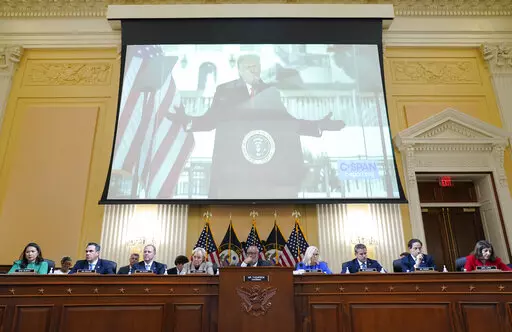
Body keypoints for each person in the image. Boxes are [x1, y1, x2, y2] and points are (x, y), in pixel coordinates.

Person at [169, 54, 345, 199]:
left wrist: (318, 126)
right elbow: (210, 121)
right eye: (249, 66)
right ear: (239, 69)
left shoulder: (271, 92)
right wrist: (187, 121)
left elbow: (287, 123)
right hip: (233, 172)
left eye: (257, 66)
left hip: (263, 174)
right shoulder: (225, 90)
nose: (255, 70)